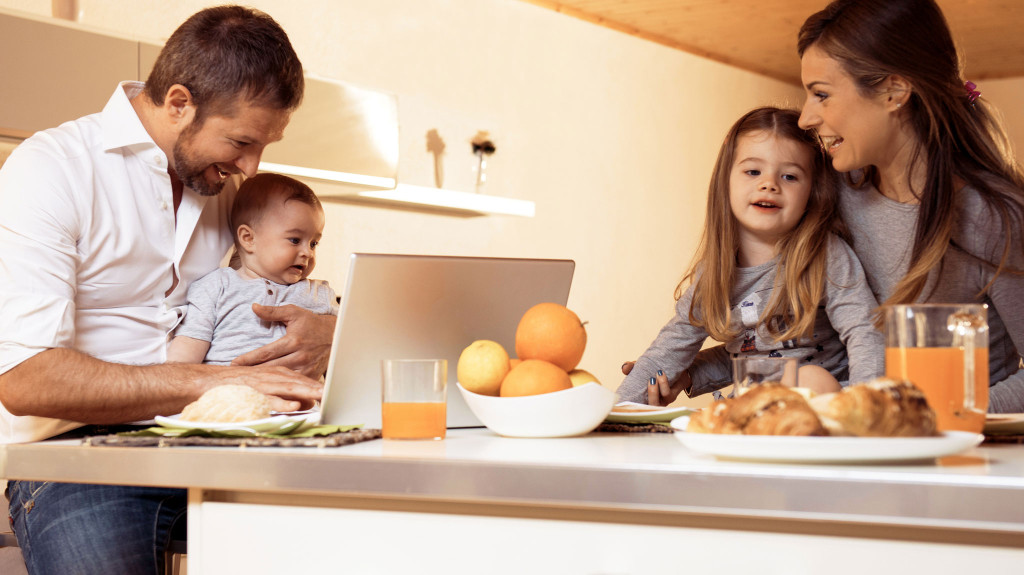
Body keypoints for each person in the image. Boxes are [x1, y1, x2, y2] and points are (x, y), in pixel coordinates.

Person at [0, 6, 330, 574]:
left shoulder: (222, 185)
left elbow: (284, 281)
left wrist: (327, 332)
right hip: (81, 457)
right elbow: (26, 379)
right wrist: (218, 380)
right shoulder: (50, 170)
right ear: (178, 103)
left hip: (225, 438)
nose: (250, 168)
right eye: (242, 142)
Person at [795, 0, 1024, 412]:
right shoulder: (836, 192)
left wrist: (940, 415)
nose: (805, 118)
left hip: (963, 456)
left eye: (821, 95)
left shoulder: (991, 217)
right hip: (861, 445)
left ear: (893, 91)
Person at [617, 107, 884, 406]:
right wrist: (616, 411)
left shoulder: (824, 255)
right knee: (721, 408)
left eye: (789, 176)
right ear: (726, 182)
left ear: (812, 191)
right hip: (755, 410)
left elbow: (865, 333)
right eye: (753, 171)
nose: (769, 184)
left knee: (811, 378)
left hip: (827, 411)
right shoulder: (714, 274)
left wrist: (866, 410)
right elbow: (670, 349)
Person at [168, 173, 338, 365]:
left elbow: (358, 343)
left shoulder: (320, 294)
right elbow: (183, 360)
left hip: (301, 393)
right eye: (295, 240)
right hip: (227, 391)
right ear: (248, 239)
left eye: (314, 243)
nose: (307, 252)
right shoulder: (215, 288)